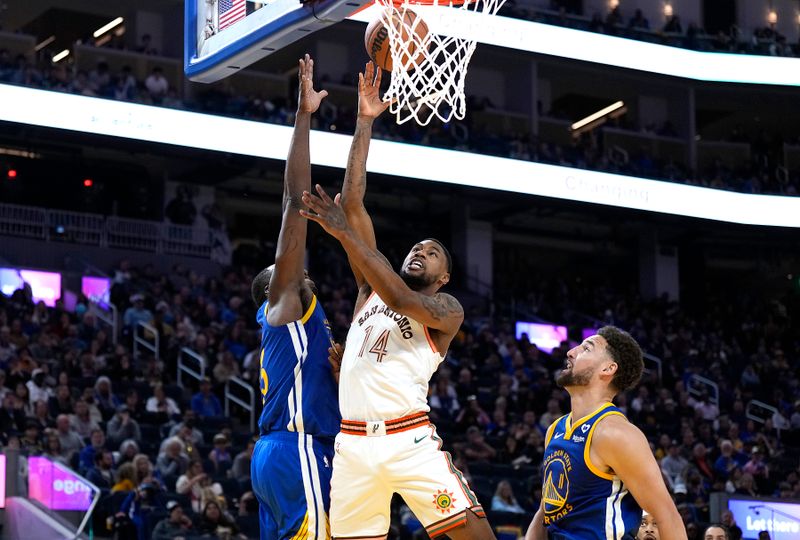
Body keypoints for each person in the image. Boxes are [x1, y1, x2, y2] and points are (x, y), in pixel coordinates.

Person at [300, 61, 494, 540]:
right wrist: (364, 121)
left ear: (443, 276)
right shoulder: (369, 286)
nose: (418, 252)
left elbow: (401, 297)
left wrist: (347, 237)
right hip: (352, 444)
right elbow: (352, 203)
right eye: (415, 247)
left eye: (431, 253)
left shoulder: (447, 311)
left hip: (409, 439)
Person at [248, 54, 340, 540]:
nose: (292, 267)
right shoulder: (284, 305)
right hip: (294, 447)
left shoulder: (302, 320)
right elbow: (294, 199)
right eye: (281, 269)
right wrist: (304, 116)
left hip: (278, 451)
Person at [522, 327, 686, 540]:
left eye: (586, 349)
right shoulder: (555, 429)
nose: (571, 352)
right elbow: (546, 511)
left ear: (608, 368)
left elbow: (668, 517)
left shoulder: (615, 433)